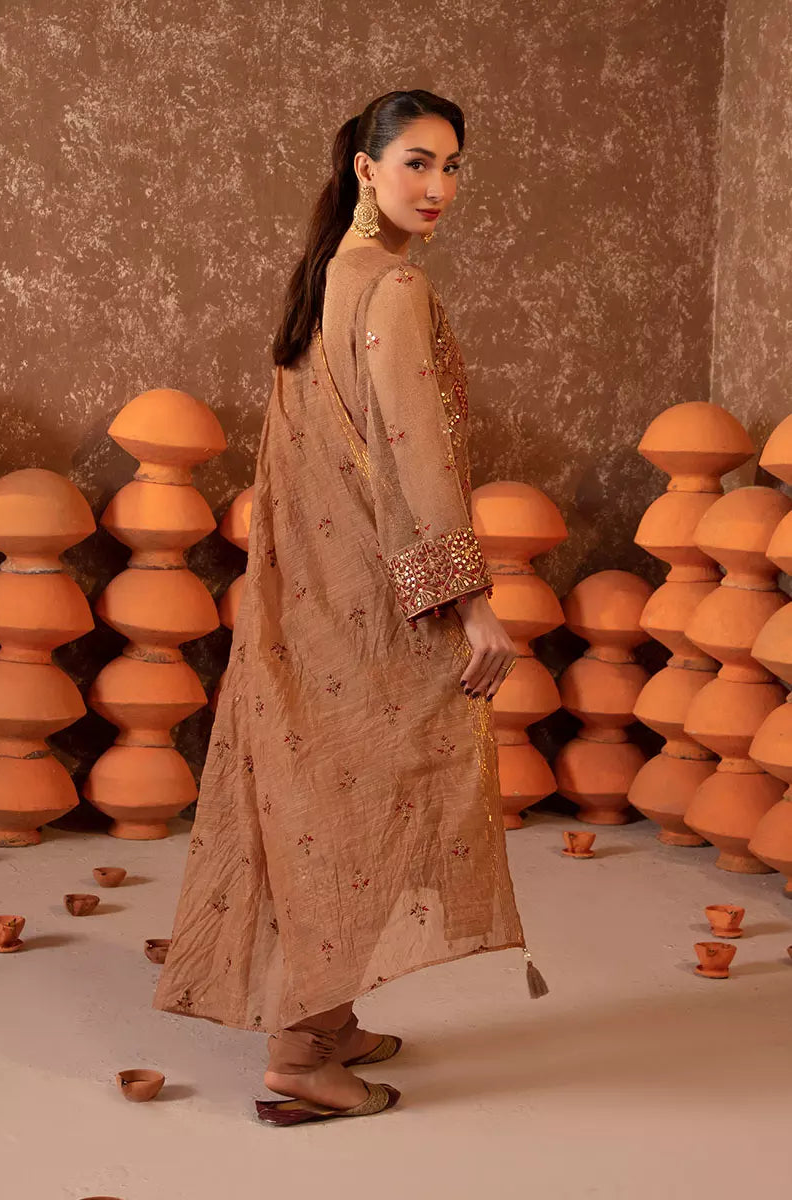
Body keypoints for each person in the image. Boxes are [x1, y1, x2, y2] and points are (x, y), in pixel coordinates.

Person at [152, 88, 547, 1127]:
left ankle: (329, 1020)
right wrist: (471, 605)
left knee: (330, 796)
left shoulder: (330, 273)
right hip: (377, 597)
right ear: (366, 170)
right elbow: (417, 458)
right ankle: (298, 1053)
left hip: (314, 593)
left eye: (453, 166)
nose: (440, 186)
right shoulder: (395, 288)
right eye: (418, 162)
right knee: (371, 797)